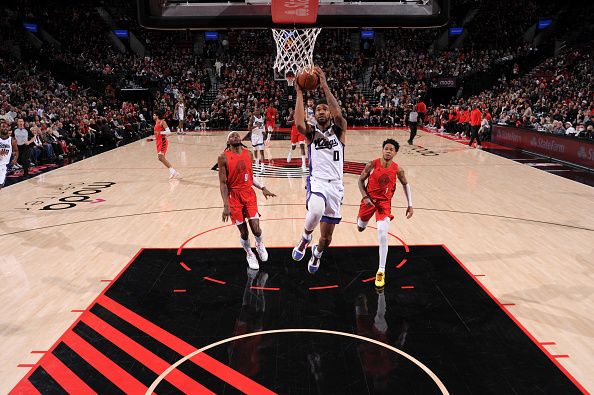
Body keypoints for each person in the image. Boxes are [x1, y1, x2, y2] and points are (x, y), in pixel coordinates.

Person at [291, 66, 347, 274]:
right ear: (314, 116)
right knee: (315, 210)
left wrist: (323, 84)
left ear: (329, 115)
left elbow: (338, 112)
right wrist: (298, 92)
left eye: (324, 110)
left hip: (336, 187)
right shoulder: (312, 134)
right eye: (318, 110)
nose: (322, 112)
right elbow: (298, 124)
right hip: (318, 182)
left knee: (326, 238)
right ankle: (305, 238)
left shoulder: (339, 129)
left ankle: (317, 253)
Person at [357, 139, 413, 287]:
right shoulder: (372, 164)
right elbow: (360, 181)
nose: (388, 151)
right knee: (360, 227)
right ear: (382, 150)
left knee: (382, 234)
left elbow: (406, 185)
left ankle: (381, 271)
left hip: (384, 204)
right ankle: (363, 220)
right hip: (368, 201)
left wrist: (410, 205)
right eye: (386, 149)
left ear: (395, 153)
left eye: (391, 149)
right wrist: (365, 196)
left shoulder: (398, 169)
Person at [218, 131, 276, 269]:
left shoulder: (248, 154)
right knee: (244, 232)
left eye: (237, 135)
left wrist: (262, 187)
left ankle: (259, 244)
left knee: (256, 229)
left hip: (249, 194)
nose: (235, 137)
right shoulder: (223, 158)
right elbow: (223, 183)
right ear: (228, 142)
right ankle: (249, 253)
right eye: (231, 136)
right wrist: (226, 205)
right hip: (234, 196)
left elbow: (249, 176)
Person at [153, 110, 180, 179]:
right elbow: (157, 134)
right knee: (161, 158)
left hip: (163, 141)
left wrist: (160, 132)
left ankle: (174, 172)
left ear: (157, 116)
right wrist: (152, 139)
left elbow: (168, 132)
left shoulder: (162, 122)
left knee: (160, 157)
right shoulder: (156, 123)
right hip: (158, 141)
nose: (153, 116)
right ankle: (173, 172)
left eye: (154, 115)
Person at [0, 120, 19, 191]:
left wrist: (15, 159)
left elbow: (16, 150)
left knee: (1, 184)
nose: (5, 128)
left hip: (4, 165)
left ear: (8, 128)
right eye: (2, 127)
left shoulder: (12, 140)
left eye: (6, 127)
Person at [248, 108, 266, 172]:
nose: (257, 111)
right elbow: (249, 128)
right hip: (254, 136)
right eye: (256, 110)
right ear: (254, 112)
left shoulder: (262, 118)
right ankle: (256, 160)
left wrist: (264, 132)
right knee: (255, 150)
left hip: (260, 136)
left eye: (258, 110)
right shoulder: (252, 118)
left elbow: (263, 126)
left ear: (260, 111)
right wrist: (256, 126)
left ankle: (262, 167)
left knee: (262, 151)